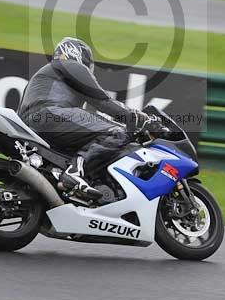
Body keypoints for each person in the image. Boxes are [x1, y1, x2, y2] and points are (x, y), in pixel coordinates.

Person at [18, 37, 150, 199]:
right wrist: (134, 116)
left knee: (96, 133)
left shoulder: (46, 73)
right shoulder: (70, 65)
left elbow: (93, 115)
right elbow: (102, 101)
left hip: (33, 123)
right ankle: (74, 173)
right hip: (51, 115)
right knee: (116, 133)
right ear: (77, 54)